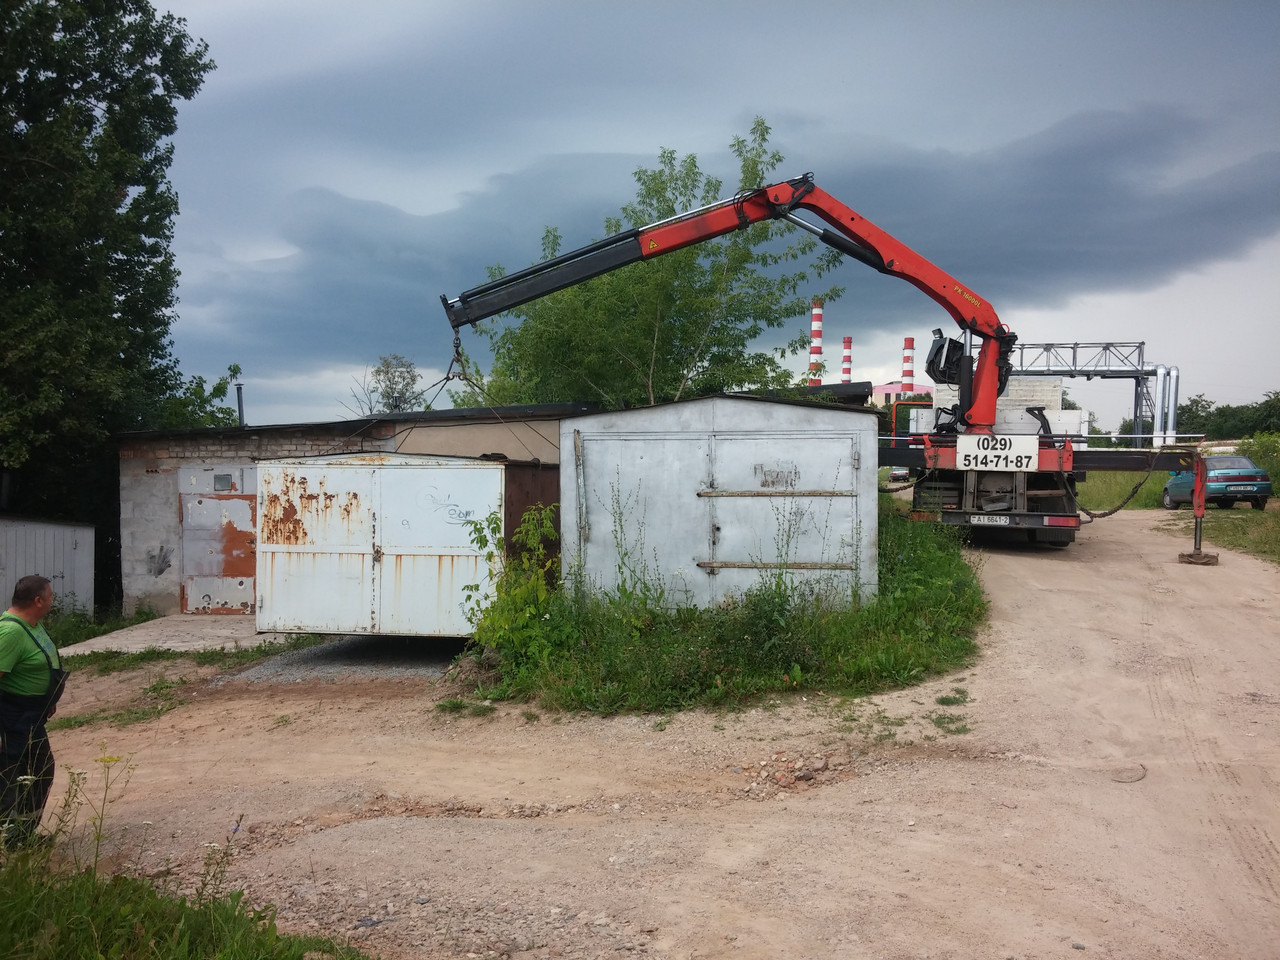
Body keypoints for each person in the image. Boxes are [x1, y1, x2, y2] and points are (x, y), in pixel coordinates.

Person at [0, 575, 66, 848]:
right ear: (37, 600)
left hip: (31, 715)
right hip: (13, 719)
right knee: (14, 775)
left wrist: (46, 699)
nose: (52, 601)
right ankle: (15, 838)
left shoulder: (32, 624)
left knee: (37, 770)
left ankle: (21, 835)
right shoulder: (11, 632)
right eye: (50, 597)